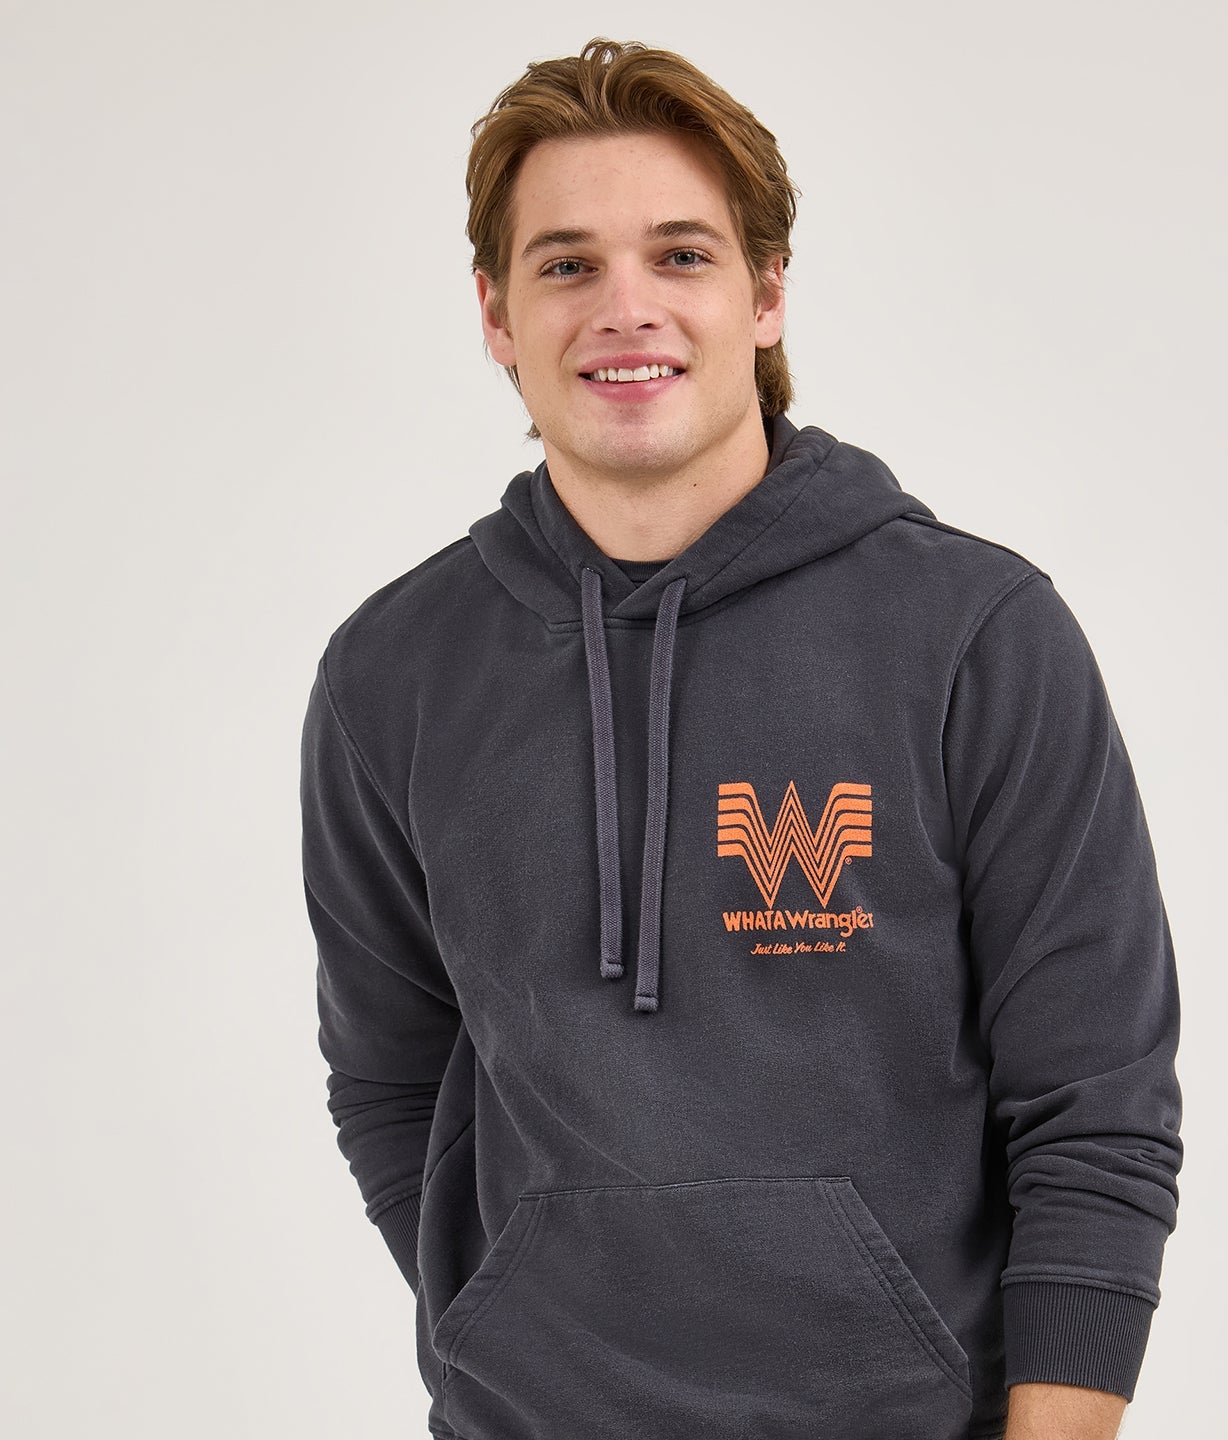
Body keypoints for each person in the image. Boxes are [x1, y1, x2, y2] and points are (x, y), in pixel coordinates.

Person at [299, 37, 1183, 1440]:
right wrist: (504, 1319)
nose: (626, 309)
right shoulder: (393, 674)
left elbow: (1098, 1105)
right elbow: (390, 1079)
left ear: (766, 294)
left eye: (682, 256)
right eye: (568, 264)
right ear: (496, 313)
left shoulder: (975, 635)